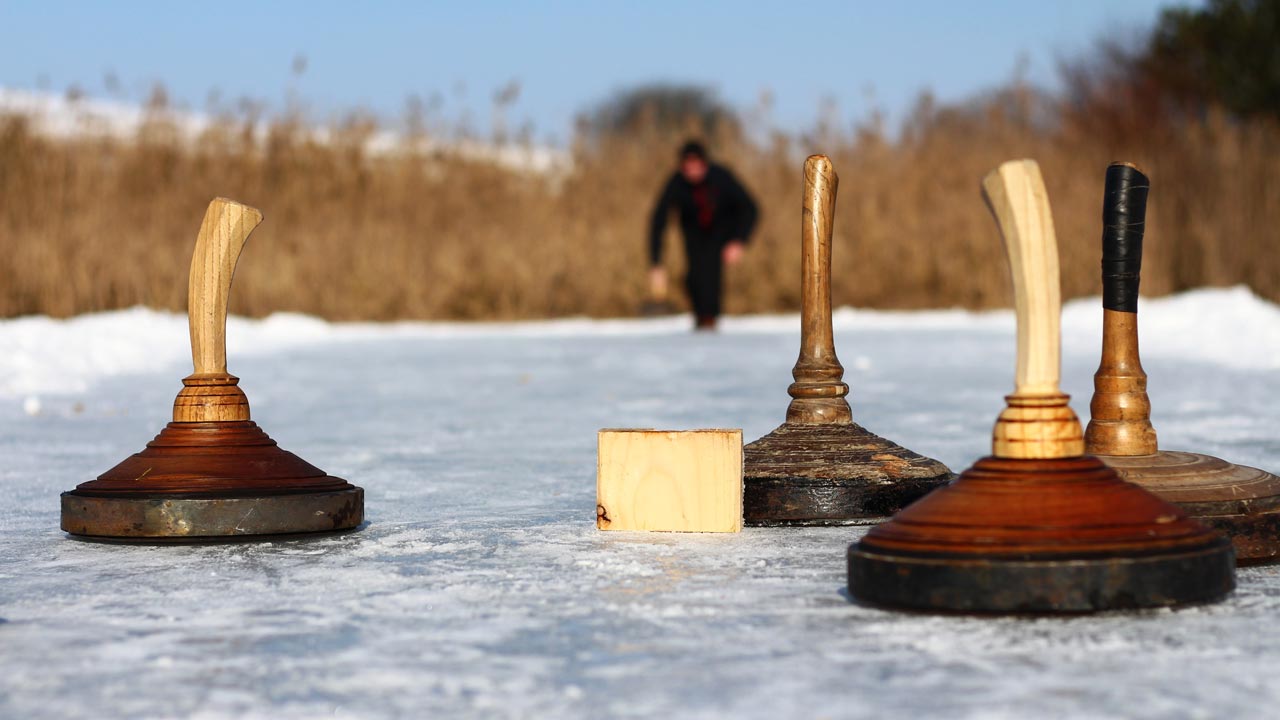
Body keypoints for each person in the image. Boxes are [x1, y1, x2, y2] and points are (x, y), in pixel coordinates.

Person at [648, 141, 759, 330]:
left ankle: (709, 321)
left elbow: (750, 208)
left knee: (710, 276)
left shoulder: (721, 177)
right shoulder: (676, 183)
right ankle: (701, 320)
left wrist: (739, 241)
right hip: (692, 235)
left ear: (704, 163)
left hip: (722, 232)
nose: (692, 171)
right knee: (692, 278)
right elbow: (659, 221)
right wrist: (656, 263)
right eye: (687, 166)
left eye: (696, 165)